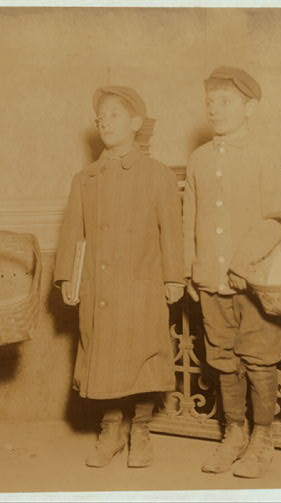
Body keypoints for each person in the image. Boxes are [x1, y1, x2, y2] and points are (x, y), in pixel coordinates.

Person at [54, 86, 184, 468]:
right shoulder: (86, 178)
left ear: (136, 123)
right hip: (101, 287)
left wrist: (173, 277)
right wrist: (68, 279)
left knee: (143, 358)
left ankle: (140, 430)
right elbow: (71, 234)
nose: (104, 122)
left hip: (142, 284)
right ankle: (110, 430)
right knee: (104, 358)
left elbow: (171, 234)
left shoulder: (157, 175)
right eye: (101, 117)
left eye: (114, 115)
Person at [183, 66, 281, 478]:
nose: (214, 108)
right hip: (210, 279)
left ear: (251, 108)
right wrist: (191, 270)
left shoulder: (264, 156)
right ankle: (234, 434)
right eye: (210, 101)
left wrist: (247, 266)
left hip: (253, 283)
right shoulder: (199, 159)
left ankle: (262, 438)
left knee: (260, 360)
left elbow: (276, 220)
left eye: (224, 101)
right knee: (223, 359)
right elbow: (189, 217)